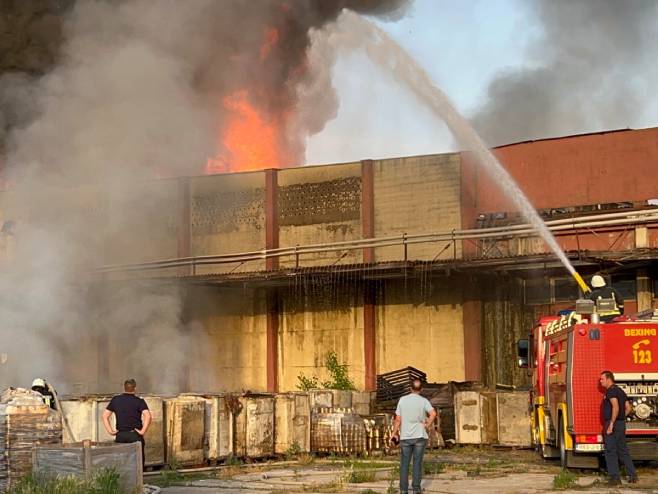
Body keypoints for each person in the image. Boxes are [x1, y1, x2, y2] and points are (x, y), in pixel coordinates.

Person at [391, 378, 437, 494]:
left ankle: (403, 490)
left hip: (405, 437)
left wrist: (394, 433)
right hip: (420, 436)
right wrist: (427, 424)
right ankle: (416, 489)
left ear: (410, 388)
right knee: (417, 463)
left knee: (404, 464)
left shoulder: (402, 400)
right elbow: (433, 413)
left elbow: (398, 419)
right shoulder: (424, 401)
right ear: (421, 389)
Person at [102, 379, 151, 468]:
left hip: (120, 435)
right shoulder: (139, 401)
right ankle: (138, 481)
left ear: (124, 388)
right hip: (134, 435)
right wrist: (143, 431)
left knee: (120, 462)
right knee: (137, 462)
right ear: (135, 388)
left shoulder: (116, 400)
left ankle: (123, 481)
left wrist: (110, 431)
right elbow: (148, 416)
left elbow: (105, 416)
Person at [599, 370, 637, 486]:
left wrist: (611, 423)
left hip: (613, 424)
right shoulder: (620, 391)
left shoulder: (611, 391)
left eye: (602, 379)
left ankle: (615, 478)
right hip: (620, 424)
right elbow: (628, 408)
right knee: (623, 450)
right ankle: (633, 475)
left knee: (610, 450)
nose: (600, 381)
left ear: (608, 379)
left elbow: (615, 407)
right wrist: (621, 418)